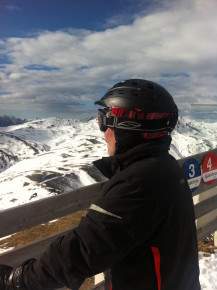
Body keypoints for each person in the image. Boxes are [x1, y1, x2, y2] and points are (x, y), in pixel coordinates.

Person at [0, 79, 201, 290]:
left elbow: (79, 252)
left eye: (105, 120)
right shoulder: (165, 167)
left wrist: (12, 281)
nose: (104, 133)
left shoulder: (138, 185)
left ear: (128, 128)